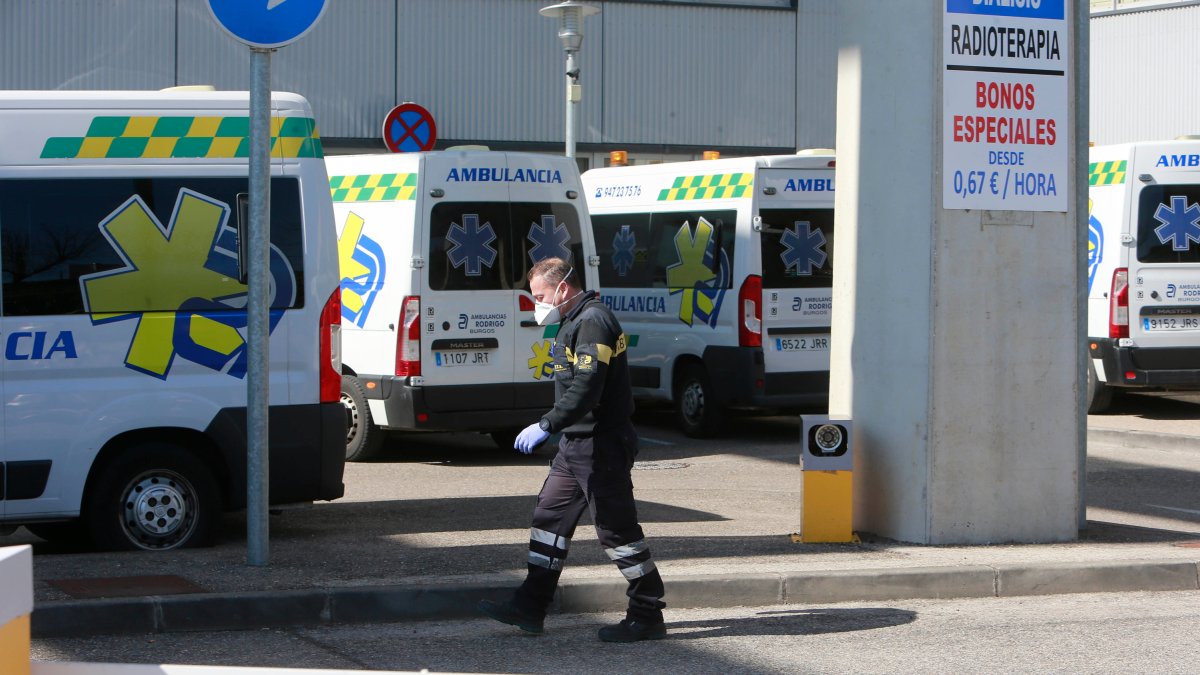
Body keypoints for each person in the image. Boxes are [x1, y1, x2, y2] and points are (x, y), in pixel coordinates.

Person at [478, 257, 667, 642]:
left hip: (601, 445)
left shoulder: (593, 321)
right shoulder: (573, 320)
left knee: (618, 533)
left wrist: (547, 423)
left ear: (562, 288)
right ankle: (530, 606)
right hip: (575, 445)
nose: (536, 303)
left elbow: (588, 386)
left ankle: (647, 613)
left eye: (539, 295)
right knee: (548, 522)